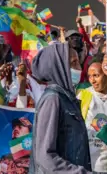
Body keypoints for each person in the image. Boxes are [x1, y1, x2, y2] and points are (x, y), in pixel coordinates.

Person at [30, 43, 92, 173]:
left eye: (78, 62)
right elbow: (45, 157)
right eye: (73, 63)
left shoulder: (67, 98)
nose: (79, 68)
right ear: (59, 67)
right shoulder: (53, 99)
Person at [76, 54, 107, 173]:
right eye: (90, 76)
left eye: (96, 75)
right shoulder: (82, 96)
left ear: (106, 74)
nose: (92, 80)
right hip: (90, 167)